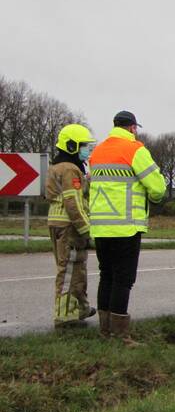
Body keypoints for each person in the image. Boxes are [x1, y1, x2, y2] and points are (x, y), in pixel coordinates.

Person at [88, 111, 166, 341]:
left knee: (106, 276)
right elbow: (158, 187)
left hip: (101, 227)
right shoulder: (135, 150)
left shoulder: (97, 151)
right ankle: (120, 333)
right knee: (123, 279)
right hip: (126, 227)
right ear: (132, 128)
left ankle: (104, 330)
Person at [46, 124, 97, 328]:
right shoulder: (70, 169)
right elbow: (73, 203)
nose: (87, 149)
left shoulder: (55, 166)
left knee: (77, 268)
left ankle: (80, 307)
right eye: (83, 145)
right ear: (72, 146)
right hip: (69, 226)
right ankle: (65, 317)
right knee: (69, 270)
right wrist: (87, 231)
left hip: (57, 222)